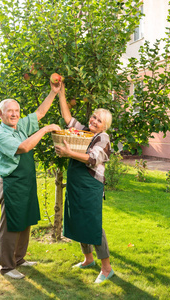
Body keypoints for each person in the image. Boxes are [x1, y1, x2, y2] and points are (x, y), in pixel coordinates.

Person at [0, 82, 61, 279]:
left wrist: (53, 92)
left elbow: (39, 113)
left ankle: (19, 259)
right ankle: (6, 266)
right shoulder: (0, 135)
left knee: (25, 221)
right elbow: (24, 147)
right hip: (12, 183)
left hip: (27, 182)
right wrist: (45, 130)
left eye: (17, 111)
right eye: (9, 111)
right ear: (1, 114)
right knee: (11, 225)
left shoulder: (19, 125)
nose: (14, 114)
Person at [55, 84, 114, 284]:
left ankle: (106, 268)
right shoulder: (84, 132)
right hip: (76, 184)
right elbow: (67, 119)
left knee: (92, 224)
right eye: (94, 117)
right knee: (77, 219)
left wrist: (68, 153)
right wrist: (61, 92)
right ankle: (88, 259)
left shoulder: (103, 138)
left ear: (105, 125)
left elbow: (92, 159)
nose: (94, 121)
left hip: (90, 186)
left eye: (99, 120)